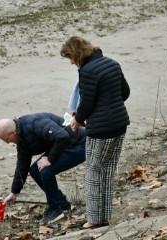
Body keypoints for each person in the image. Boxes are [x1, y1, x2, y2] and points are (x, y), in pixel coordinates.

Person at [60, 36, 130, 229]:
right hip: (120, 124)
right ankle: (104, 217)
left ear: (77, 54)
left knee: (92, 172)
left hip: (101, 129)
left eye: (70, 57)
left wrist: (78, 119)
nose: (71, 62)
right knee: (107, 171)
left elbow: (86, 104)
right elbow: (125, 92)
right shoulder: (112, 63)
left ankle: (93, 219)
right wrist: (109, 102)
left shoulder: (87, 71)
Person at [0, 112, 86, 225]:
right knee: (35, 170)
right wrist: (14, 192)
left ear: (12, 132)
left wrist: (50, 159)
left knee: (45, 171)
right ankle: (62, 203)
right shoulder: (21, 137)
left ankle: (56, 209)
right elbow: (22, 164)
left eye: (6, 139)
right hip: (62, 145)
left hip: (78, 144)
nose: (7, 143)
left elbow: (62, 137)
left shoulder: (34, 123)